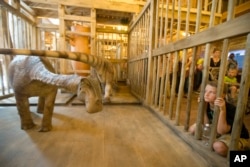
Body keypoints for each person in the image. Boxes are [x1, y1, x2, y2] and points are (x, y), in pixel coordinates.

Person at [189, 81, 249, 157]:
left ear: (222, 95)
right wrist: (203, 107)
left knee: (219, 147)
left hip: (235, 135)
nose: (206, 94)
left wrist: (222, 110)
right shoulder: (207, 104)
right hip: (217, 130)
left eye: (212, 92)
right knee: (192, 129)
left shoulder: (230, 108)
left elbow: (222, 131)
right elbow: (206, 123)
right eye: (206, 91)